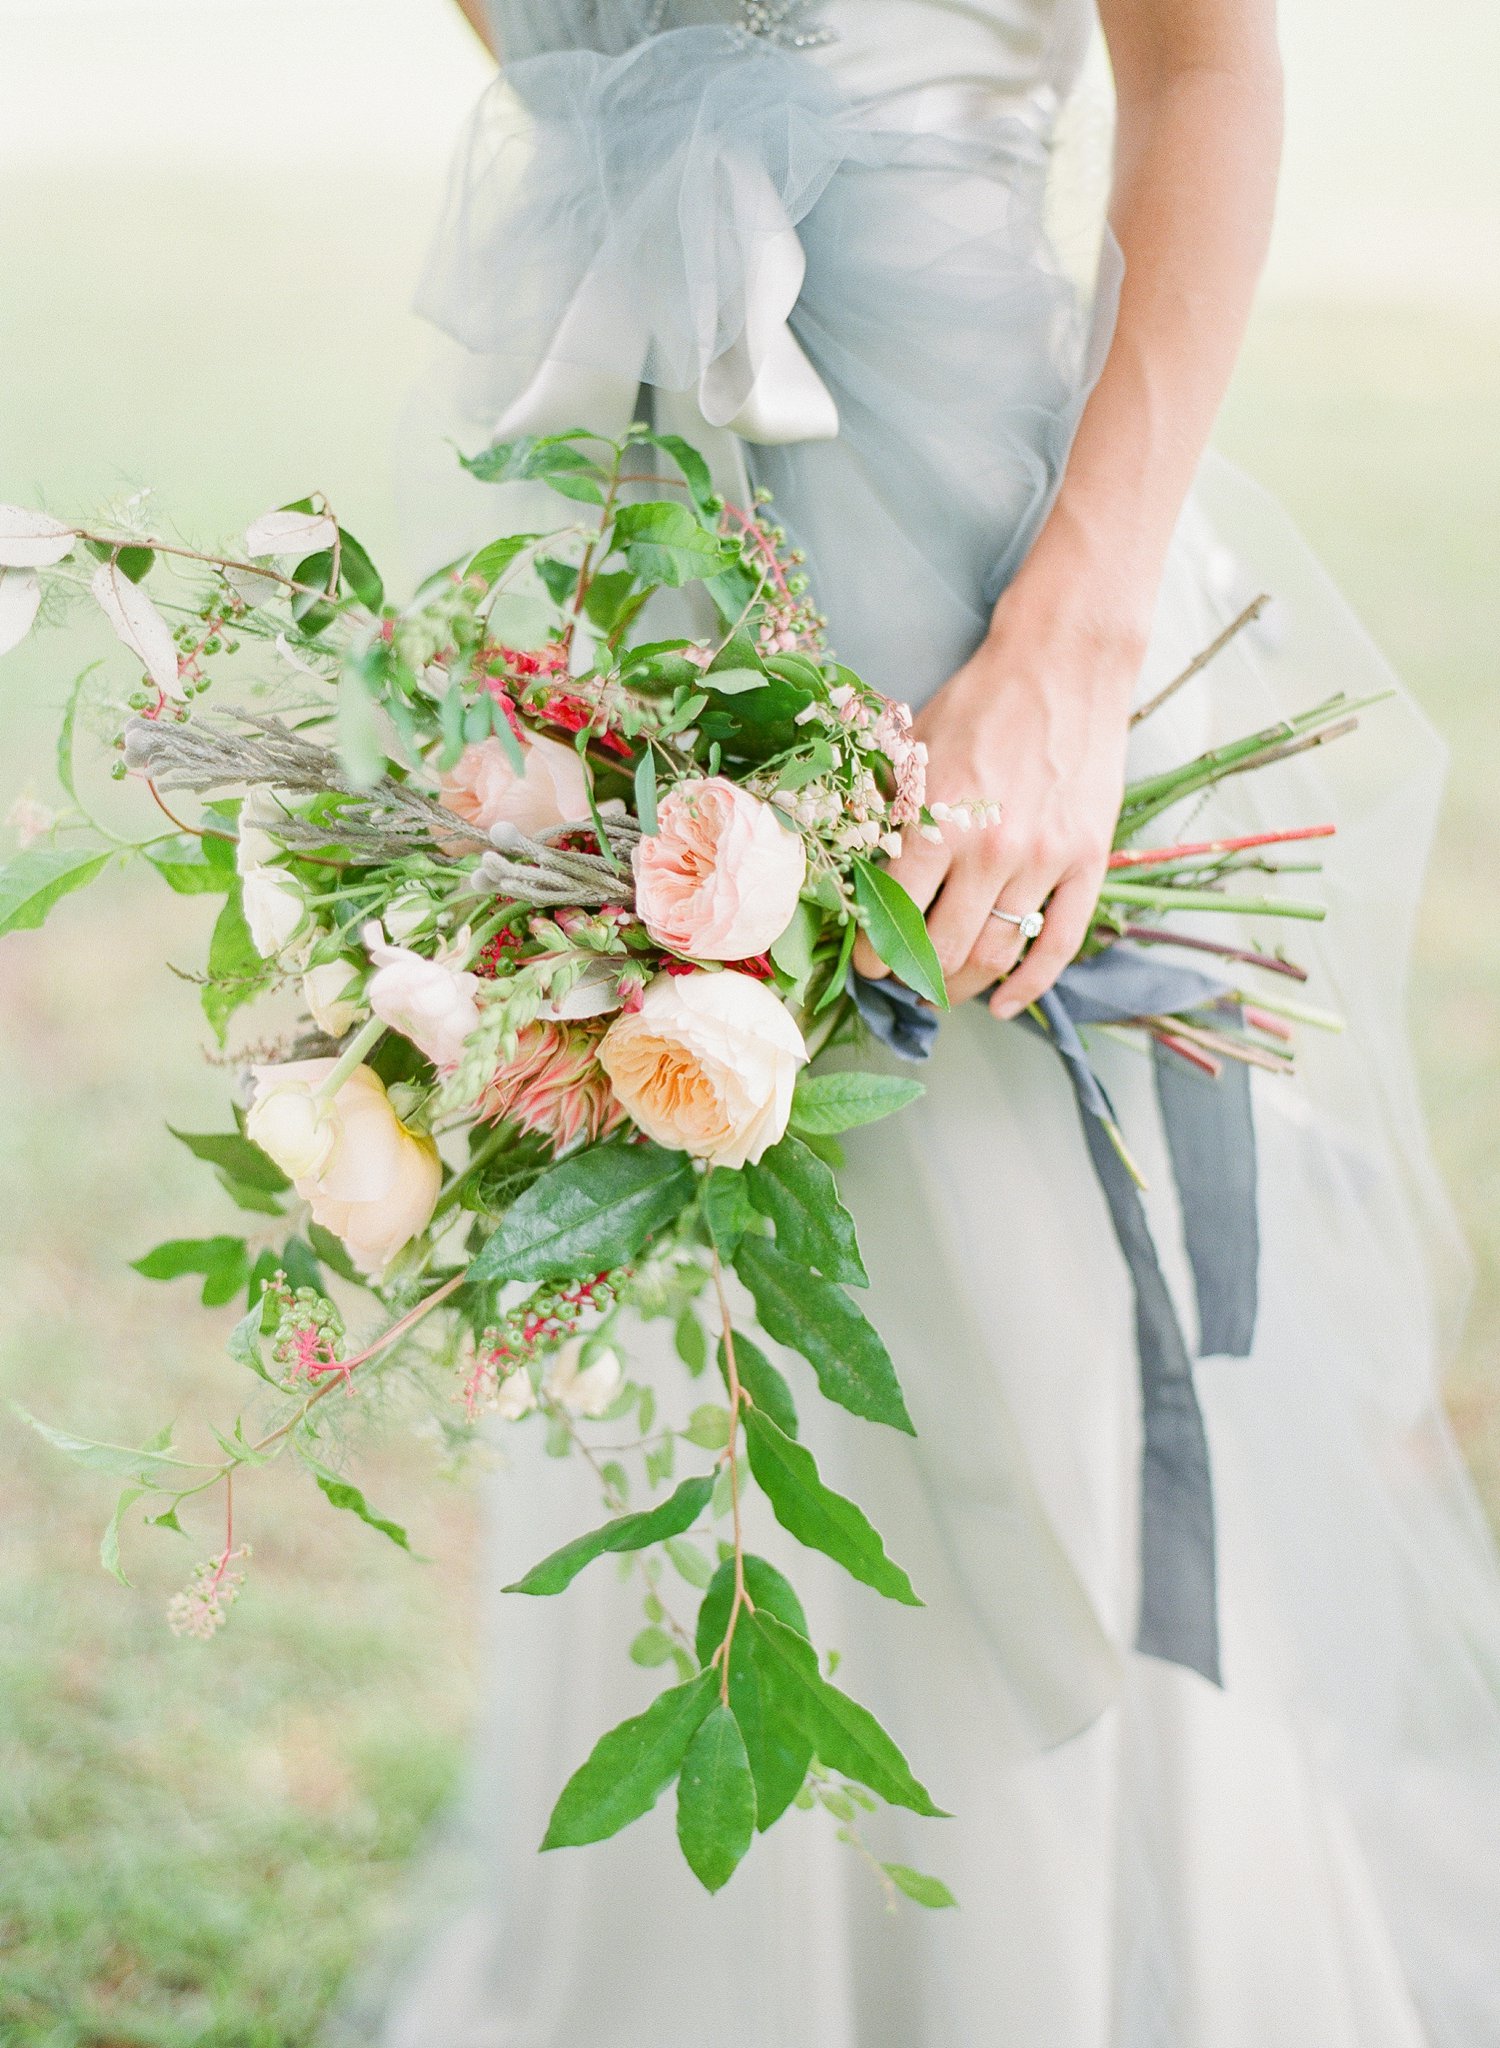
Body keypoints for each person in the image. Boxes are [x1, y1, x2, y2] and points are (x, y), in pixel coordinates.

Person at [335, 3, 1500, 2041]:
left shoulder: (1038, 638)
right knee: (673, 1384)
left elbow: (1210, 63)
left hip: (988, 605)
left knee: (1024, 1405)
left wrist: (1073, 641)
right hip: (631, 581)